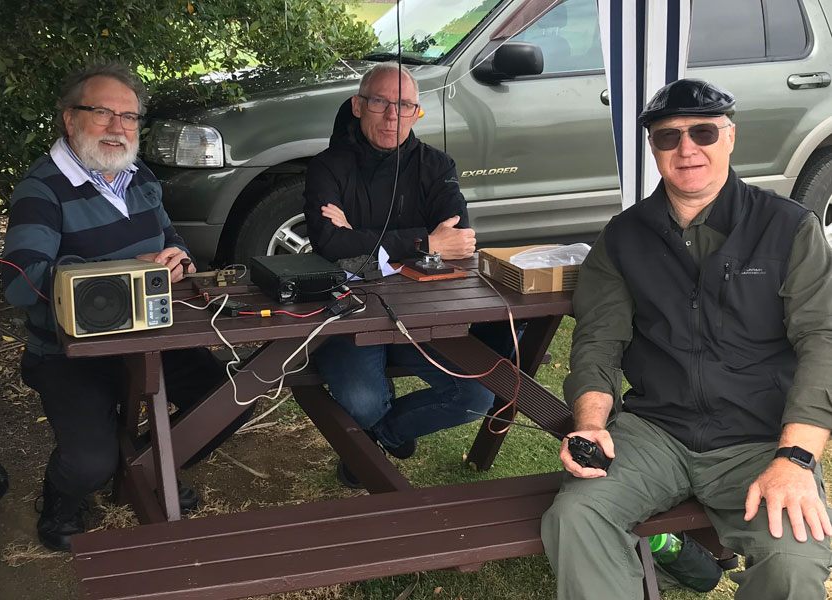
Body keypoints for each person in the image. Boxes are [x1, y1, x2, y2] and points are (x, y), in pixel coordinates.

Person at [540, 78, 832, 599]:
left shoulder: (788, 228)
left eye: (703, 132)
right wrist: (591, 425)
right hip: (656, 433)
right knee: (577, 517)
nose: (687, 148)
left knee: (794, 561)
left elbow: (822, 341)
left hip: (759, 437)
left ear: (730, 137)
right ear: (653, 148)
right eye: (668, 136)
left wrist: (796, 459)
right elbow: (598, 342)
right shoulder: (623, 236)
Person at [1, 62, 251, 552]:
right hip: (70, 353)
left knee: (230, 403)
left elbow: (170, 237)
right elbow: (20, 280)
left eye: (130, 116)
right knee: (91, 464)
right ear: (70, 119)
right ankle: (62, 499)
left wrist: (178, 259)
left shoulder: (138, 176)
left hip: (153, 335)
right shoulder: (41, 190)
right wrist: (124, 273)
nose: (118, 127)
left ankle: (145, 467)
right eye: (103, 113)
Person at [303, 62, 497, 488]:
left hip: (419, 316)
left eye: (405, 105)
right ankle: (374, 430)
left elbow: (459, 239)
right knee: (363, 400)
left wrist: (362, 241)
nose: (393, 116)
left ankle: (383, 436)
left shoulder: (436, 165)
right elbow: (332, 248)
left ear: (416, 112)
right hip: (349, 317)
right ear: (357, 106)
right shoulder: (326, 167)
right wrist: (425, 243)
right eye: (380, 102)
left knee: (476, 395)